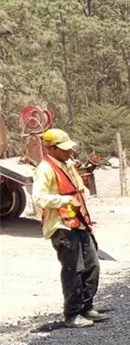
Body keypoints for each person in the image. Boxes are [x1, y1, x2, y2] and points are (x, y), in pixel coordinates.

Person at [31, 128, 109, 328]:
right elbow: (38, 198)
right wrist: (64, 200)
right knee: (73, 269)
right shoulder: (45, 168)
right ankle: (72, 314)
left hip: (79, 223)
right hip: (61, 226)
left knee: (92, 266)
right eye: (64, 149)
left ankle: (86, 307)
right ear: (51, 148)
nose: (69, 152)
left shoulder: (68, 165)